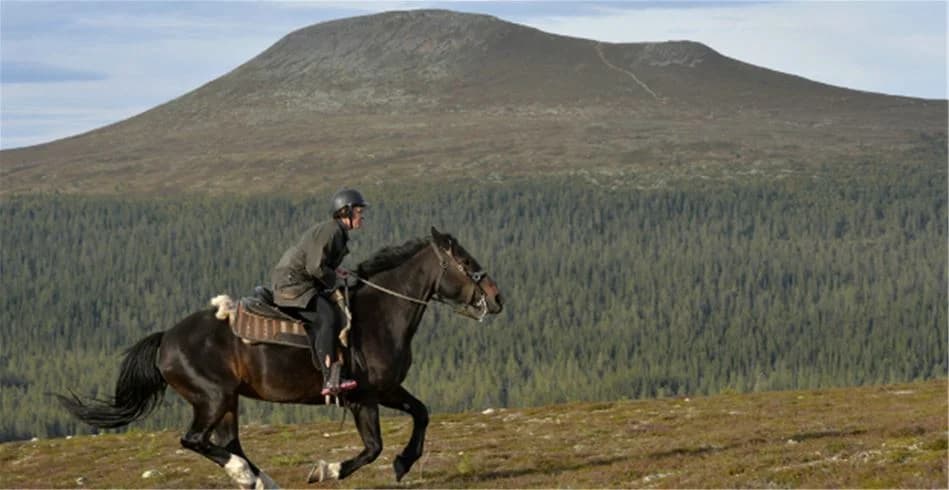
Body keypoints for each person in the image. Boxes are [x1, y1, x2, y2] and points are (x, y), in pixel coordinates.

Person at [271, 189, 367, 396]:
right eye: (359, 211)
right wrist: (336, 280)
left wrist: (336, 271)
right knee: (328, 317)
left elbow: (321, 264)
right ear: (346, 212)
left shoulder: (336, 231)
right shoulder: (332, 232)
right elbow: (315, 267)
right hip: (294, 286)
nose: (362, 216)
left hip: (300, 283)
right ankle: (330, 378)